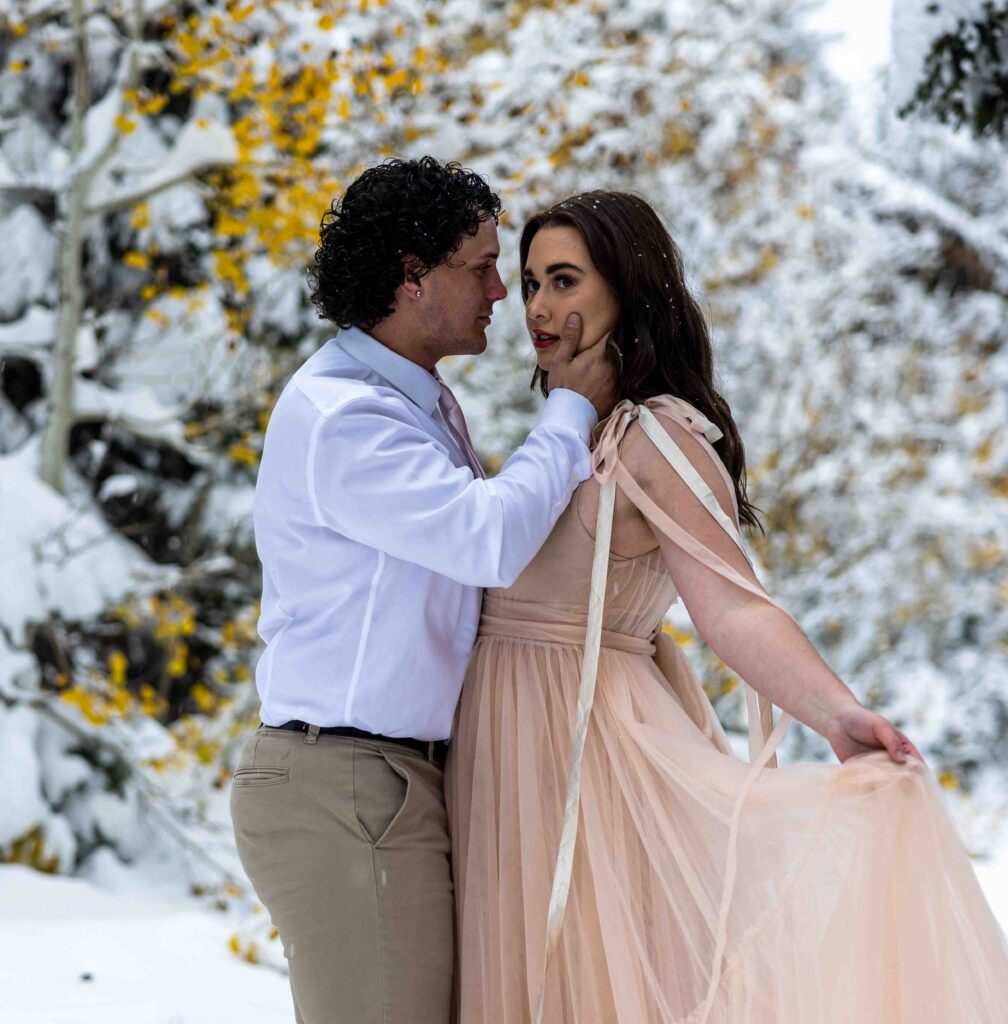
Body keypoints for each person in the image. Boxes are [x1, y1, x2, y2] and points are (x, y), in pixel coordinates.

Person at [446, 190, 1008, 1023]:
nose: (536, 307)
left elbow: (733, 606)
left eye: (564, 281)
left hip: (578, 757)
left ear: (627, 289)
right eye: (530, 283)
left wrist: (837, 713)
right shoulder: (572, 434)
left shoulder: (658, 435)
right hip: (504, 756)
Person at [228, 158, 616, 1024]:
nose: (501, 294)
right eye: (480, 267)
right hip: (347, 781)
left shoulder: (414, 402)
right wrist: (572, 408)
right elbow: (488, 539)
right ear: (411, 278)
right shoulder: (346, 418)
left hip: (387, 778)